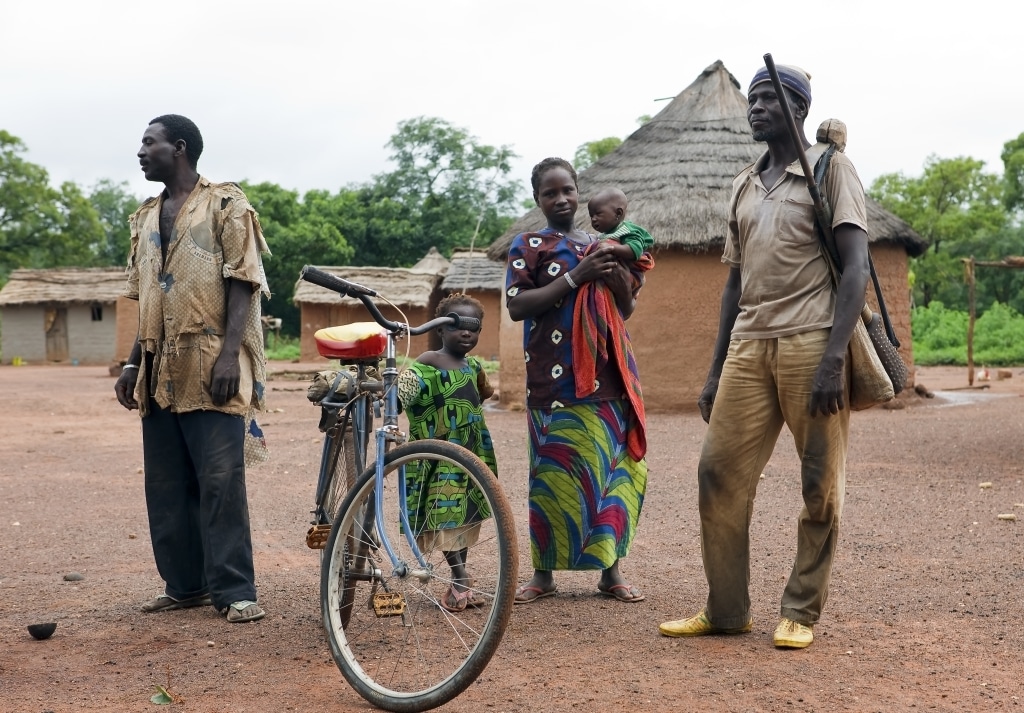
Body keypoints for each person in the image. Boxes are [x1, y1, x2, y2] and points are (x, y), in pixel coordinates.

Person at [658, 65, 870, 648]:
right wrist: (715, 367)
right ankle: (726, 610)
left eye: (766, 98)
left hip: (811, 340)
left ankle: (800, 610)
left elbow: (855, 268)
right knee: (717, 472)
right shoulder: (745, 182)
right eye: (749, 100)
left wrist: (832, 360)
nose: (753, 108)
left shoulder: (830, 169)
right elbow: (733, 283)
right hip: (750, 345)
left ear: (797, 108)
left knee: (819, 484)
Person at [114, 114, 271, 624]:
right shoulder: (143, 217)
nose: (140, 150)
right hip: (158, 367)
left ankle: (235, 591)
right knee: (165, 481)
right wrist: (133, 361)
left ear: (178, 148)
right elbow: (148, 300)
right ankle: (185, 586)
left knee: (220, 479)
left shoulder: (226, 204)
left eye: (149, 142)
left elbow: (244, 282)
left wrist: (229, 355)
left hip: (210, 360)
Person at [505, 157, 652, 605]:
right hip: (551, 384)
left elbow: (623, 310)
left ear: (578, 190)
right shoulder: (527, 244)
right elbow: (518, 306)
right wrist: (575, 277)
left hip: (605, 377)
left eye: (567, 189)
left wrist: (612, 278)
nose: (561, 198)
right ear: (538, 199)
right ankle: (542, 574)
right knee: (550, 477)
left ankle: (611, 572)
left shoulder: (602, 244)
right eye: (550, 193)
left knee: (607, 474)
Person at [397, 293, 498, 612]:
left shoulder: (474, 366)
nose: (466, 332)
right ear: (440, 329)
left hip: (470, 454)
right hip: (438, 457)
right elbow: (399, 399)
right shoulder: (426, 364)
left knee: (463, 518)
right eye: (457, 325)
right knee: (445, 516)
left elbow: (483, 393)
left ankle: (457, 583)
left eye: (474, 327)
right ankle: (460, 576)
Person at [587, 187, 654, 264]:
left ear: (618, 213)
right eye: (591, 216)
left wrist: (611, 248)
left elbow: (636, 250)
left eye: (598, 214)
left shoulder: (627, 230)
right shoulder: (602, 235)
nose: (593, 219)